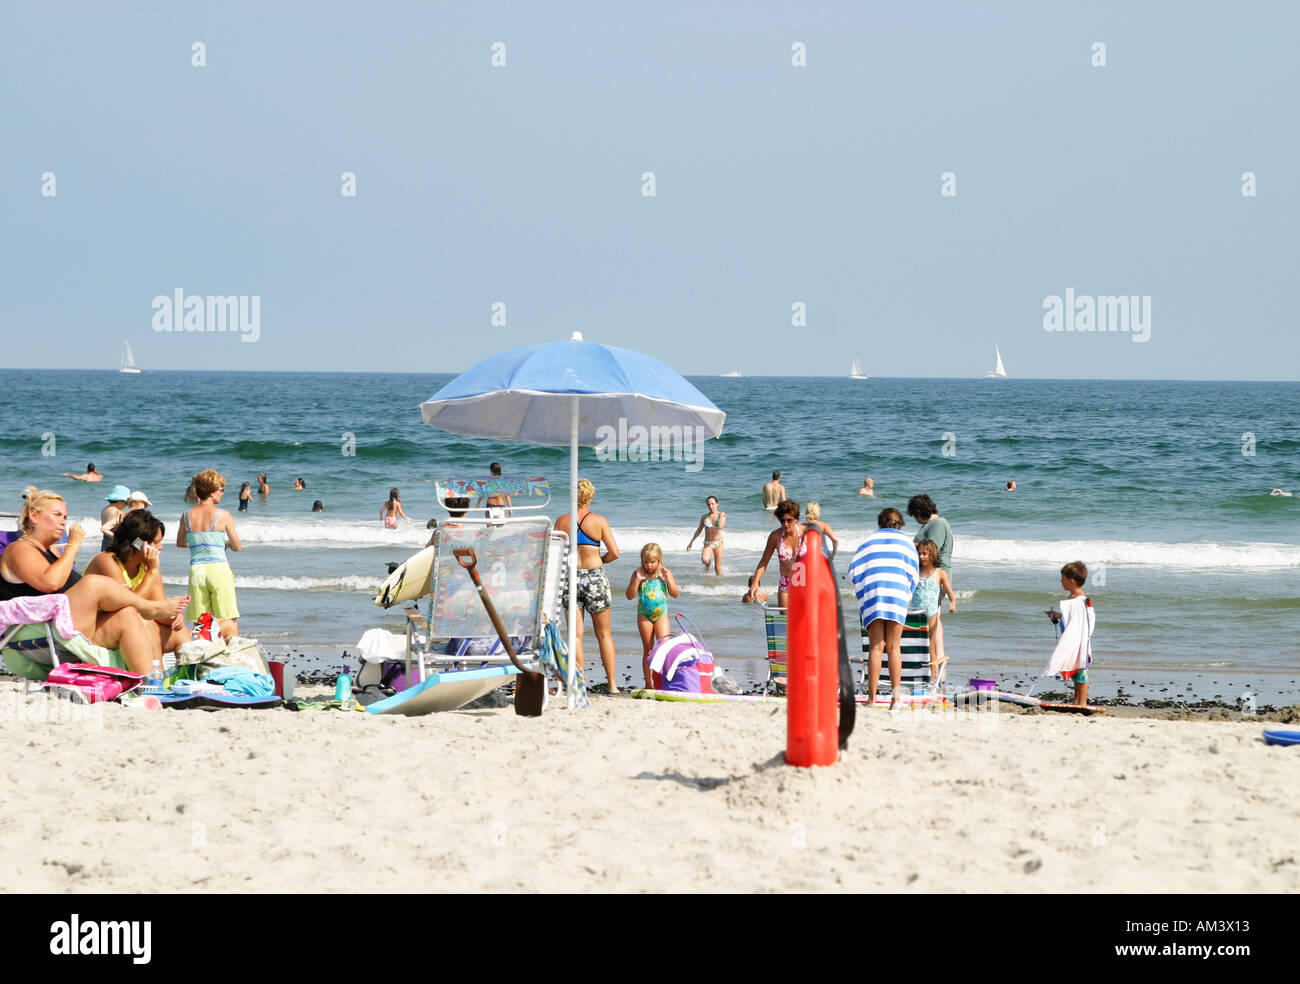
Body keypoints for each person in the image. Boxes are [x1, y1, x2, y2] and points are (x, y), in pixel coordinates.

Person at [0, 488, 188, 674]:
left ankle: (153, 683)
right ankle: (148, 607)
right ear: (34, 515)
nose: (63, 522)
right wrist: (73, 546)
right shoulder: (19, 549)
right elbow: (51, 583)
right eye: (57, 515)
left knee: (129, 614)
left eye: (65, 517)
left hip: (69, 626)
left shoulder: (53, 552)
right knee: (93, 583)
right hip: (35, 629)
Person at [85, 509, 190, 654]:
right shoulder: (107, 561)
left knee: (182, 634)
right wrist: (152, 572)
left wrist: (174, 616)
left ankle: (183, 676)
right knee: (145, 624)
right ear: (138, 542)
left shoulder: (148, 569)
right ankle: (154, 675)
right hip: (97, 629)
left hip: (132, 626)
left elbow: (158, 610)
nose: (160, 547)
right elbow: (130, 605)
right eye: (155, 542)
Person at [553, 478, 620, 692]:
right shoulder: (598, 521)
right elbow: (615, 553)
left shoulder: (562, 521)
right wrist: (600, 560)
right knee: (604, 634)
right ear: (590, 497)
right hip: (595, 577)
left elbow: (555, 554)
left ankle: (579, 684)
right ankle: (612, 685)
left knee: (576, 635)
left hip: (570, 577)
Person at [848, 508, 920, 707]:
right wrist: (907, 592)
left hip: (874, 594)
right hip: (897, 594)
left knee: (876, 648)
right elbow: (914, 571)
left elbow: (854, 569)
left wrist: (863, 593)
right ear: (900, 524)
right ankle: (896, 699)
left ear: (880, 523)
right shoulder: (906, 542)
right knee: (894, 647)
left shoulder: (868, 540)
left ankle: (871, 699)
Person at [177, 469, 243, 639]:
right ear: (213, 491)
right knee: (228, 618)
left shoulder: (186, 516)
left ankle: (203, 655)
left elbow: (180, 543)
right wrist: (224, 544)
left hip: (197, 571)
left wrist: (198, 543)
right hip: (218, 570)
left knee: (201, 621)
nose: (222, 493)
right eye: (221, 489)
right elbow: (237, 546)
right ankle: (230, 653)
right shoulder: (223, 515)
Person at [625, 543, 680, 688]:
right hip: (644, 615)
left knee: (664, 646)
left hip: (661, 614)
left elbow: (675, 594)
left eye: (652, 562)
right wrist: (636, 581)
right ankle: (649, 684)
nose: (649, 565)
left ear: (659, 560)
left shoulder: (664, 573)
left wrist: (669, 580)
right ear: (641, 560)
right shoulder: (638, 574)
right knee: (648, 650)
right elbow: (629, 596)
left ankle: (664, 682)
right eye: (646, 562)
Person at [907, 494, 954, 661]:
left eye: (914, 515)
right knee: (934, 614)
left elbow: (930, 549)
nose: (915, 519)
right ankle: (936, 655)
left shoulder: (937, 524)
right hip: (929, 575)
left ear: (920, 512)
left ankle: (937, 655)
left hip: (935, 576)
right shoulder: (932, 524)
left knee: (934, 614)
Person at [1047, 561, 1095, 707]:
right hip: (1073, 641)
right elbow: (1073, 620)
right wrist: (1058, 616)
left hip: (1079, 643)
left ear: (1071, 581)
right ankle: (1076, 701)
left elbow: (1084, 623)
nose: (1061, 582)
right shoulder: (1074, 598)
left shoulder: (1080, 600)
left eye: (1063, 579)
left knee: (1081, 674)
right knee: (1075, 673)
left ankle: (1082, 703)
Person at [910, 539, 956, 679]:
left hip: (931, 614)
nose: (921, 557)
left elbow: (950, 592)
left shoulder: (940, 573)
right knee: (914, 645)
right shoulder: (915, 571)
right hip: (915, 612)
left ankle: (932, 677)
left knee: (930, 646)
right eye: (919, 554)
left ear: (933, 554)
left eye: (925, 554)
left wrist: (952, 603)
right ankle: (914, 674)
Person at [747, 499, 805, 608]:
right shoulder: (775, 537)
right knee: (785, 619)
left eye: (789, 520)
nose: (786, 524)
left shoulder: (807, 533)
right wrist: (755, 583)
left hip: (806, 582)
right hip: (786, 582)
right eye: (782, 520)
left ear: (796, 519)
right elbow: (764, 562)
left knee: (806, 620)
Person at [685, 495, 726, 575]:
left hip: (718, 543)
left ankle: (719, 584)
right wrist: (691, 542)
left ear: (717, 504)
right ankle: (708, 565)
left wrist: (721, 516)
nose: (710, 506)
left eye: (712, 504)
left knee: (717, 568)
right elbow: (699, 530)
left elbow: (721, 526)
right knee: (705, 560)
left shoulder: (722, 515)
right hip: (708, 543)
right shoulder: (704, 517)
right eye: (708, 504)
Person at [99, 485, 131, 551]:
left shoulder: (105, 509)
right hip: (114, 543)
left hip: (105, 541)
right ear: (120, 501)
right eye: (126, 503)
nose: (126, 505)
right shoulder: (117, 512)